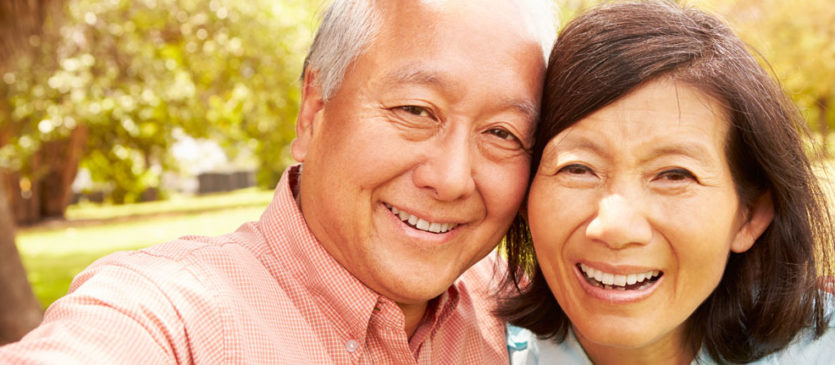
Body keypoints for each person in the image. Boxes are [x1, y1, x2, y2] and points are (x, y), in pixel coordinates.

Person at [0, 0, 556, 363]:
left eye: (504, 133)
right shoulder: (174, 317)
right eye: (415, 110)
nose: (453, 178)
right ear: (313, 113)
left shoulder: (521, 302)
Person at [499, 1, 835, 364]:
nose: (615, 227)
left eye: (674, 175)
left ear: (750, 215)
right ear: (523, 194)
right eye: (578, 169)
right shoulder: (473, 350)